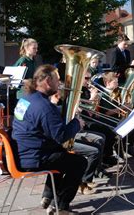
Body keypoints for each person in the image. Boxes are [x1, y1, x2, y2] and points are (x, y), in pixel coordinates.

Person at [12, 65, 87, 214]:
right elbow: (60, 136)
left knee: (62, 154)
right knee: (79, 162)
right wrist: (77, 123)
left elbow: (37, 121)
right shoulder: (44, 106)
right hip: (33, 158)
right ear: (47, 80)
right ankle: (61, 206)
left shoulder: (26, 98)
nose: (59, 84)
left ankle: (48, 196)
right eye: (57, 80)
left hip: (20, 153)